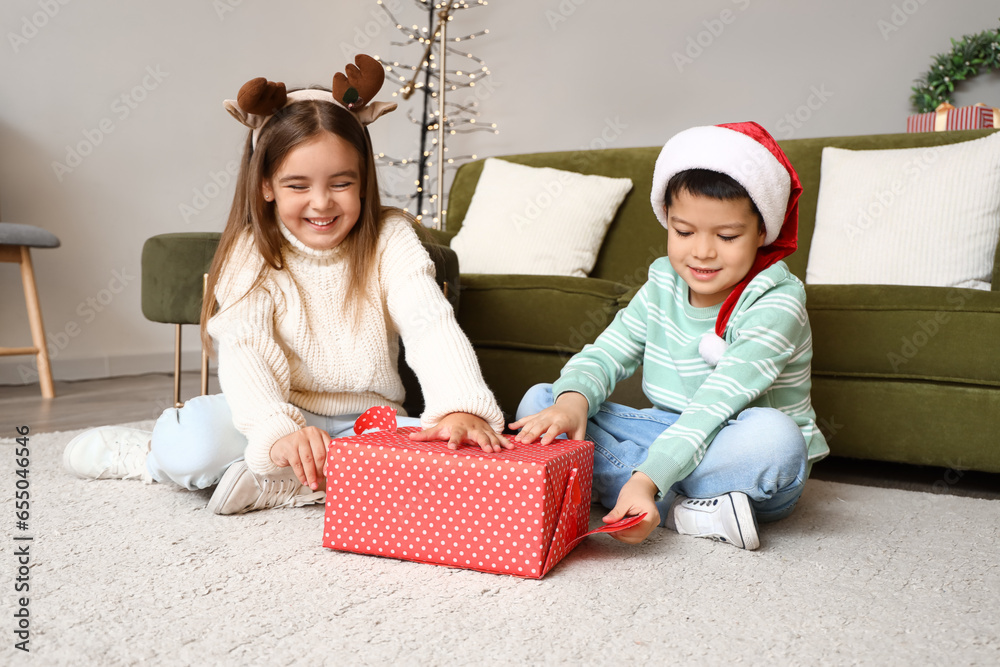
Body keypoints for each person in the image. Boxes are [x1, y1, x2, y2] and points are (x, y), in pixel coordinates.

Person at [63, 56, 509, 514]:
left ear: (363, 181)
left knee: (442, 460)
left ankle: (286, 484)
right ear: (266, 186)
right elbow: (246, 349)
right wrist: (278, 432)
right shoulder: (250, 251)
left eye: (341, 183)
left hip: (370, 422)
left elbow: (428, 322)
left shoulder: (390, 238)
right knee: (193, 444)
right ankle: (151, 457)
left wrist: (460, 405)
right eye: (298, 185)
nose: (321, 203)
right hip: (279, 411)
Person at [511, 122, 829, 550]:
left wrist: (647, 481)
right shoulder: (663, 284)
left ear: (761, 233)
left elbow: (714, 407)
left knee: (777, 439)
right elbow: (606, 354)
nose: (702, 252)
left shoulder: (777, 302)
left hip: (733, 438)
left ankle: (637, 492)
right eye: (683, 232)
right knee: (542, 402)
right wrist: (571, 404)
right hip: (669, 429)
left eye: (727, 236)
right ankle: (696, 511)